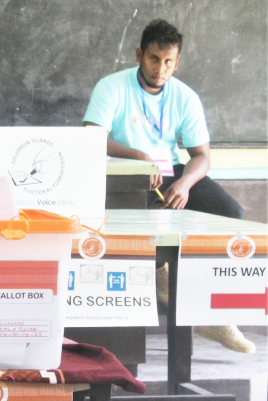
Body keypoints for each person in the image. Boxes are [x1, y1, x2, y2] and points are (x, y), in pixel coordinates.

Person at [83, 19, 254, 354]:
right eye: (153, 59)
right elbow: (92, 138)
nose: (160, 69)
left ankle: (214, 315)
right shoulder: (111, 87)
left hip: (171, 173)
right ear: (139, 55)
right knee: (146, 224)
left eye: (168, 62)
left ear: (177, 62)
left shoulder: (185, 97)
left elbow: (202, 156)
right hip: (124, 175)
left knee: (231, 213)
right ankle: (162, 274)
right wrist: (135, 155)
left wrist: (187, 183)